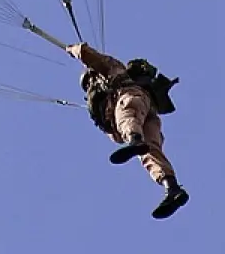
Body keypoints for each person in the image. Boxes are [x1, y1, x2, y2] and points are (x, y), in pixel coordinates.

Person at [66, 42, 189, 218]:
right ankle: (172, 188)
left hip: (132, 99)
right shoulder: (104, 94)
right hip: (149, 114)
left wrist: (74, 50)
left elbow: (93, 56)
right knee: (151, 151)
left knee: (127, 115)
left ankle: (135, 140)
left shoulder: (114, 71)